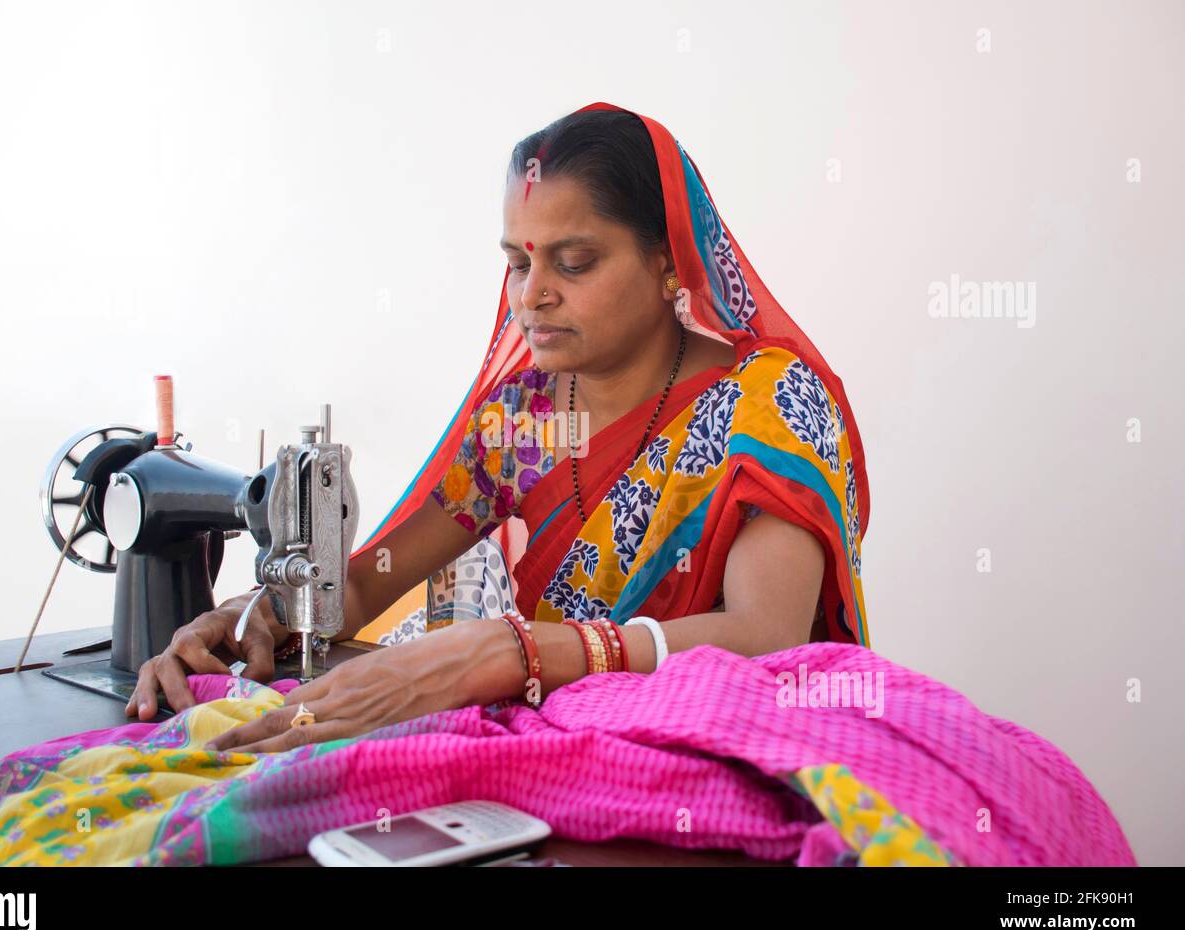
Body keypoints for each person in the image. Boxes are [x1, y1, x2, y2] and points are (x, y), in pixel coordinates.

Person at [125, 102, 872, 754]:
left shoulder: (769, 402)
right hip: (571, 755)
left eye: (573, 262)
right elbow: (365, 585)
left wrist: (510, 652)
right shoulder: (523, 421)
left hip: (737, 752)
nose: (533, 295)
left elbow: (767, 637)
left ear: (670, 263)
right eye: (518, 263)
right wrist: (251, 618)